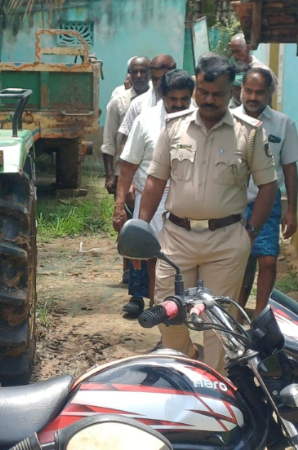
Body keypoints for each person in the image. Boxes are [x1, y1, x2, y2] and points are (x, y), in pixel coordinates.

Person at [137, 54, 277, 372]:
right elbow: (155, 181)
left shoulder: (250, 133)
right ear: (197, 86)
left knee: (219, 324)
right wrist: (140, 229)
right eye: (203, 91)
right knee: (167, 313)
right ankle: (188, 361)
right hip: (175, 238)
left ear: (233, 92)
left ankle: (213, 393)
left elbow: (268, 186)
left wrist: (249, 232)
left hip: (226, 241)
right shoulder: (174, 127)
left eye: (218, 93)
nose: (209, 99)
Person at [113, 70, 194, 316]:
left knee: (181, 259)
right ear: (162, 95)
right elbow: (128, 166)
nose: (179, 105)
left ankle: (177, 308)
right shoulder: (145, 120)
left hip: (186, 200)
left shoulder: (200, 122)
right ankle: (156, 309)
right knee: (150, 257)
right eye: (173, 100)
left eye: (184, 100)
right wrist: (118, 206)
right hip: (150, 199)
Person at [235, 67, 298, 317]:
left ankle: (261, 314)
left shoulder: (283, 124)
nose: (253, 97)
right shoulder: (227, 119)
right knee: (241, 261)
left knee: (267, 259)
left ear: (269, 94)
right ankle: (237, 311)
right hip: (233, 202)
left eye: (259, 93)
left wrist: (292, 211)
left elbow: (290, 168)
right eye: (248, 91)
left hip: (267, 202)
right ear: (240, 90)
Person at [102, 56, 150, 284]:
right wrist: (110, 174)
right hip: (127, 171)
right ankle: (128, 271)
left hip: (151, 173)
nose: (139, 76)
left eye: (144, 71)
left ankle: (146, 275)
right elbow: (110, 141)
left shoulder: (158, 101)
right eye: (135, 72)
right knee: (126, 224)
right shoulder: (119, 102)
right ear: (129, 74)